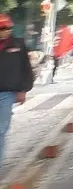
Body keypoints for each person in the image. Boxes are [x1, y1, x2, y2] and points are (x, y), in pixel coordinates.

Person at [0, 14, 34, 169]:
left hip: (7, 92)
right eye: (2, 28)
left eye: (7, 28)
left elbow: (26, 69)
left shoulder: (18, 45)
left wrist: (23, 89)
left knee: (1, 129)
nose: (4, 31)